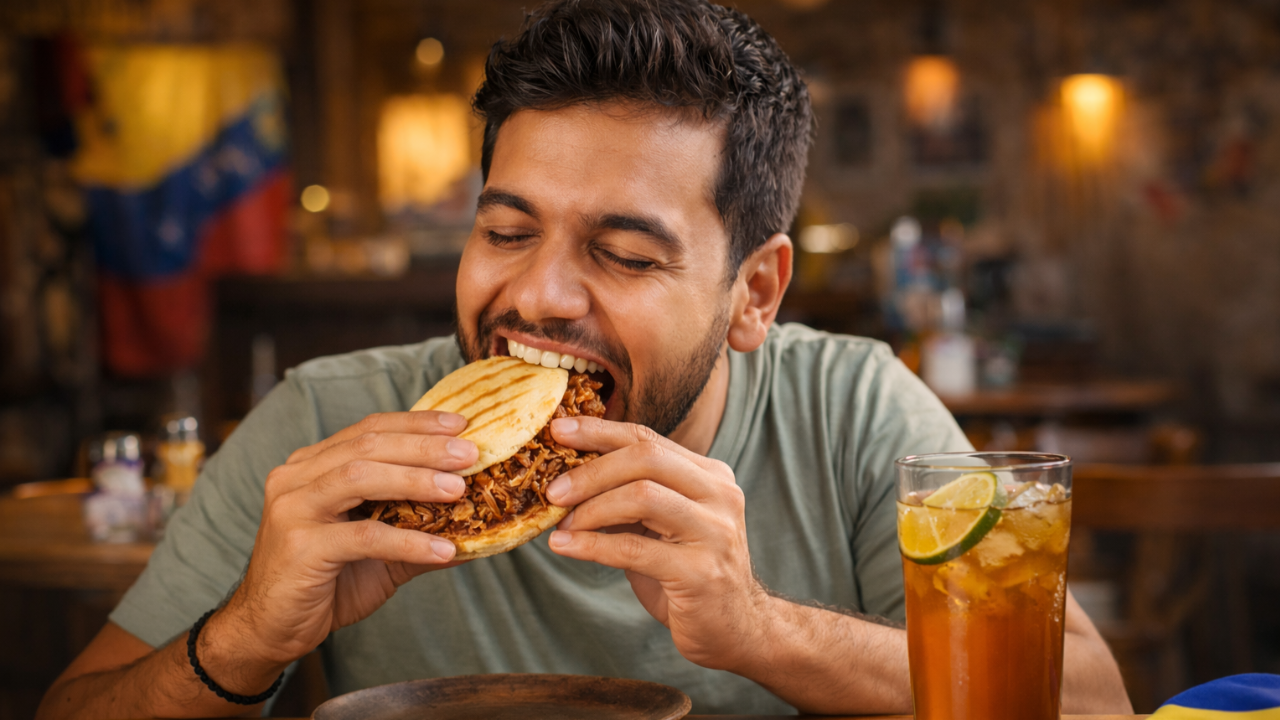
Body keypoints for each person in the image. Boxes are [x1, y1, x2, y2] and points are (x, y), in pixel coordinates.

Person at [38, 0, 1132, 717]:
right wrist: (244, 639)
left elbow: (1086, 699)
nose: (537, 298)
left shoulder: (852, 408)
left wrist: (759, 631)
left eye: (620, 253)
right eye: (505, 232)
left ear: (752, 293)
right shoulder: (332, 423)